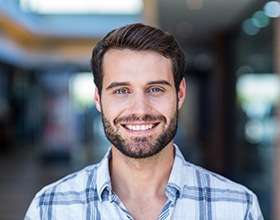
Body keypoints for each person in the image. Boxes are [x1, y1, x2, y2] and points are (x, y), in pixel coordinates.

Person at [24, 23, 263, 220]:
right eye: (121, 91)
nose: (140, 110)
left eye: (156, 89)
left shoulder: (238, 207)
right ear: (98, 98)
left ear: (180, 94)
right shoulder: (49, 208)